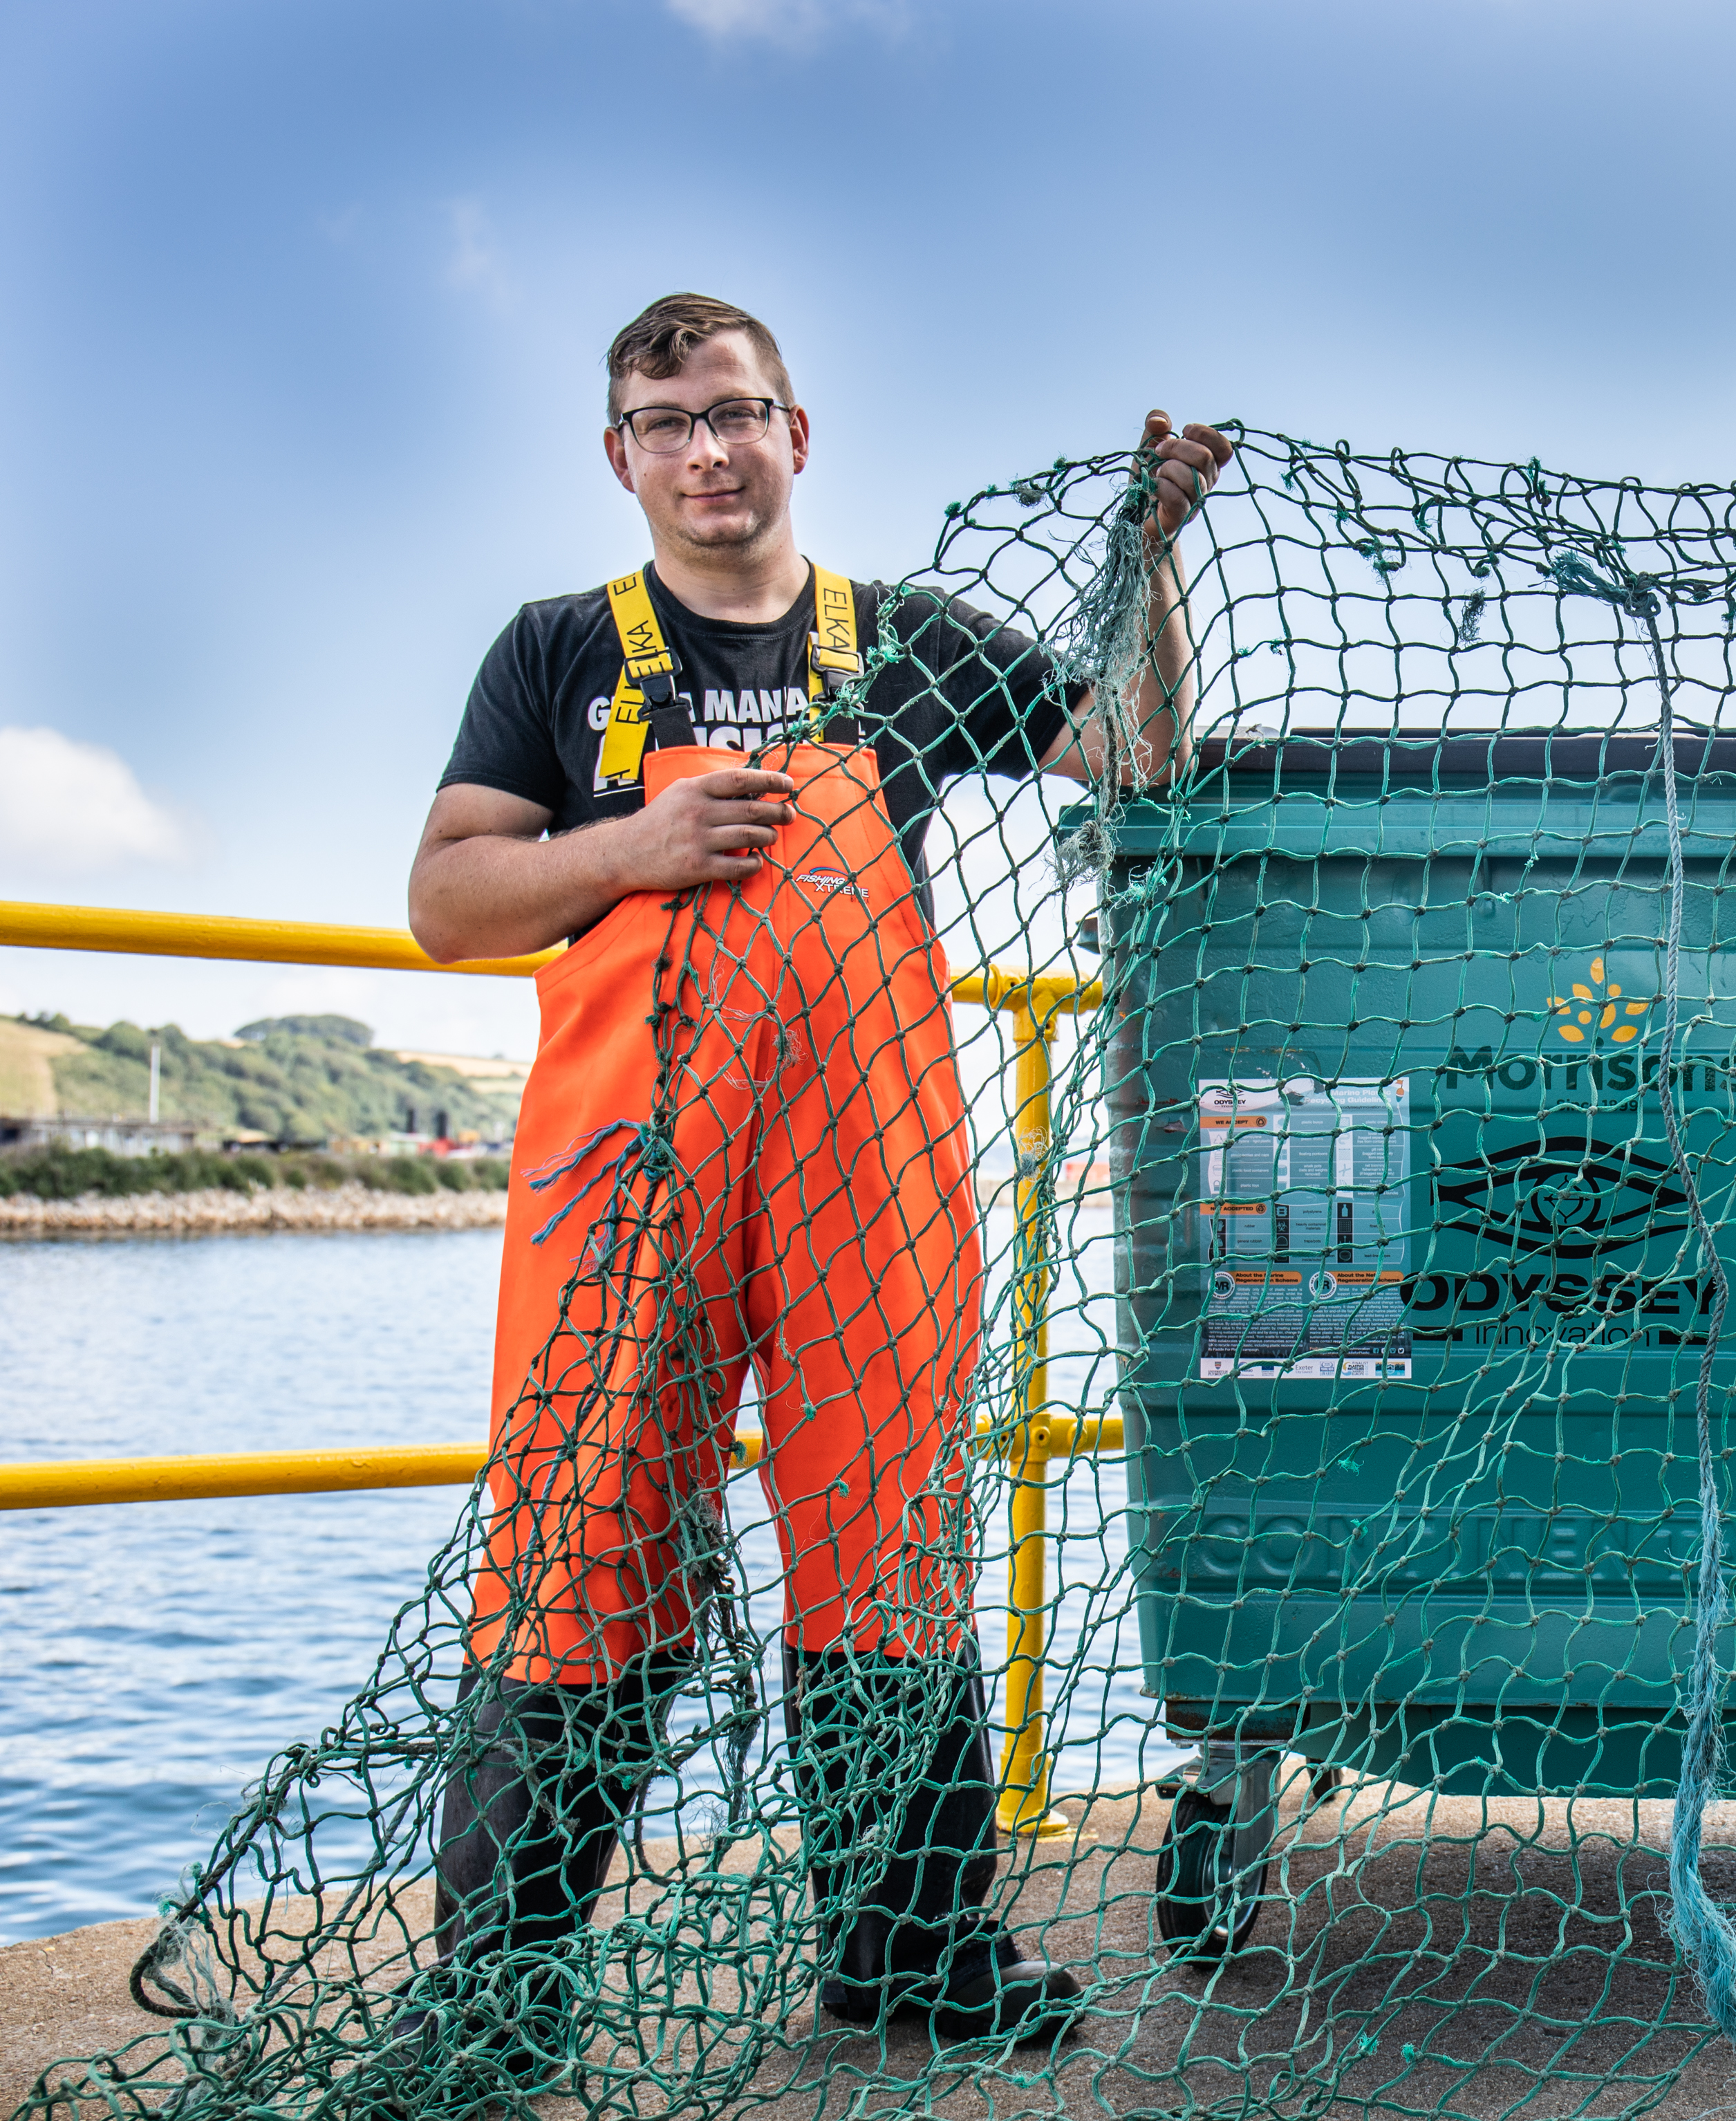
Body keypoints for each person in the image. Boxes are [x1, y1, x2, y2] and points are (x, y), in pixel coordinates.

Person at [390, 291, 1229, 2086]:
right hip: (629, 1186)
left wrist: (1146, 553)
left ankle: (912, 1951)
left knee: (893, 1560)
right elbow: (450, 897)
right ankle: (499, 1992)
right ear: (620, 456)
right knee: (581, 1558)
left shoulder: (911, 638)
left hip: (874, 1176)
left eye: (738, 411)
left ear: (799, 430)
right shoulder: (558, 652)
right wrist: (631, 846)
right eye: (670, 420)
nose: (710, 448)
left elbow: (1137, 751)